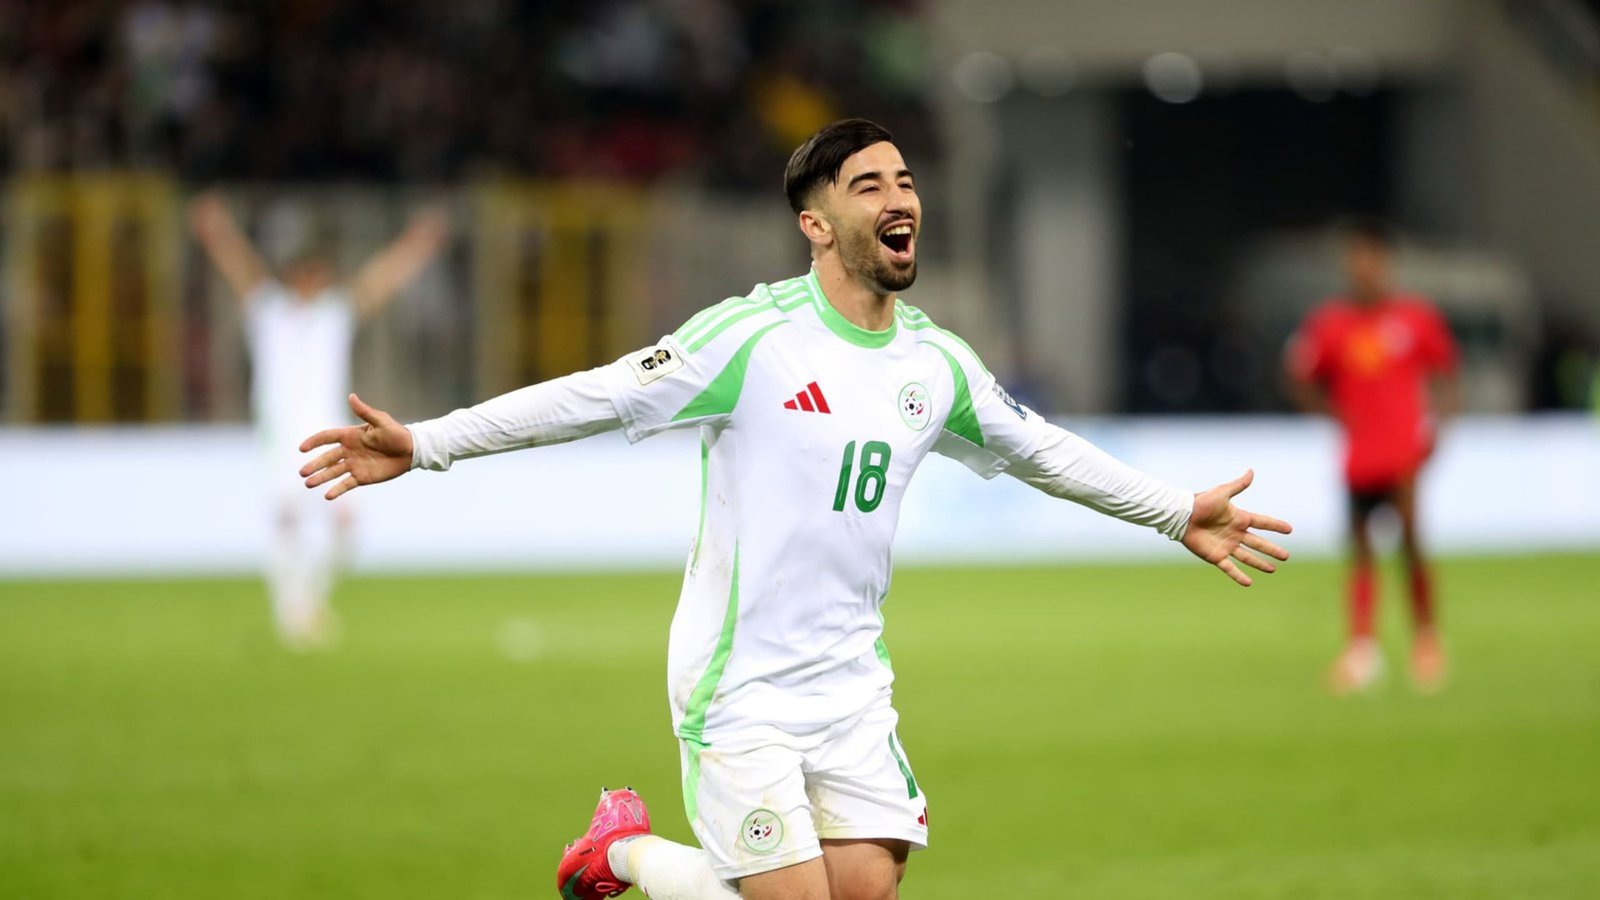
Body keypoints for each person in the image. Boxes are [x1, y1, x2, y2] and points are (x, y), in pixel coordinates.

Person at [298, 119, 1292, 900]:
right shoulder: (749, 340)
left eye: (905, 181)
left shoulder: (936, 362)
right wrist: (427, 442)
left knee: (864, 889)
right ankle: (625, 852)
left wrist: (1175, 511)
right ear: (815, 225)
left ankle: (621, 852)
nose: (900, 199)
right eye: (869, 186)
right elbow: (594, 396)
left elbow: (1041, 449)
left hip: (851, 683)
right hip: (740, 686)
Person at [189, 192, 450, 650]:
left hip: (329, 431)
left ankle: (307, 601)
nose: (315, 283)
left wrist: (417, 245)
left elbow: (378, 282)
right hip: (281, 435)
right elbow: (242, 270)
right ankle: (291, 610)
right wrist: (218, 231)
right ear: (295, 278)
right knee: (288, 519)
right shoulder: (270, 312)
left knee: (346, 522)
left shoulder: (333, 315)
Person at [1286, 220, 1461, 696]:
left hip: (1402, 451)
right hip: (1359, 455)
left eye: (1371, 259)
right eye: (1356, 260)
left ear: (1386, 263)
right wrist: (1332, 415)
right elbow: (1300, 373)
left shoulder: (1414, 318)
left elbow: (1446, 372)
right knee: (1361, 549)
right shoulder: (1331, 323)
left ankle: (1426, 640)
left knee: (1411, 544)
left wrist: (1439, 430)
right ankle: (1363, 650)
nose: (1363, 269)